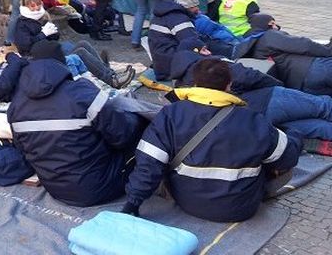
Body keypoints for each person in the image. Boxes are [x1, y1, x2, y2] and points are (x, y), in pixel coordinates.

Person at [122, 58, 301, 222]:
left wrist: (132, 203)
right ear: (229, 85)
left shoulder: (171, 114)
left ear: (196, 83)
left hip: (188, 202)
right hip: (241, 209)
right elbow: (288, 157)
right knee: (274, 156)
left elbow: (149, 163)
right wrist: (294, 134)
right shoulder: (253, 120)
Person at [7, 40, 162, 207]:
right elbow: (122, 136)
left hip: (56, 189)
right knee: (145, 128)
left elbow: (23, 149)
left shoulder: (16, 105)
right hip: (101, 186)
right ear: (63, 62)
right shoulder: (83, 92)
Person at [171, 39, 332, 140]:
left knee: (314, 126)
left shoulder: (180, 86)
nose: (209, 51)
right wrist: (276, 85)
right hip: (267, 99)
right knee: (323, 105)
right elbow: (246, 75)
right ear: (197, 52)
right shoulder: (208, 66)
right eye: (205, 49)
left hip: (252, 120)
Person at [14, 0, 135, 88]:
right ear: (26, 8)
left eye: (38, 5)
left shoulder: (42, 17)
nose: (36, 8)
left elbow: (54, 39)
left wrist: (52, 32)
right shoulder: (22, 23)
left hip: (49, 50)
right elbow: (25, 46)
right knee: (80, 52)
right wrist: (43, 34)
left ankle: (109, 73)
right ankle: (112, 80)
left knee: (83, 44)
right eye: (32, 6)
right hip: (35, 57)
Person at [235, 14, 332, 96]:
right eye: (273, 22)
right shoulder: (268, 36)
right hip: (314, 68)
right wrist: (328, 51)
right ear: (269, 24)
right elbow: (304, 45)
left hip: (300, 85)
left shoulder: (249, 48)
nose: (276, 25)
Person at [147, 0, 204, 80]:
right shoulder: (179, 18)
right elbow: (192, 41)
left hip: (161, 62)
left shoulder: (164, 14)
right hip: (170, 66)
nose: (197, 10)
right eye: (194, 6)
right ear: (187, 6)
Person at [174, 0, 240, 58]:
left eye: (197, 6)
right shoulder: (197, 21)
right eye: (192, 7)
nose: (197, 8)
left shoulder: (197, 18)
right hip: (228, 44)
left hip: (229, 41)